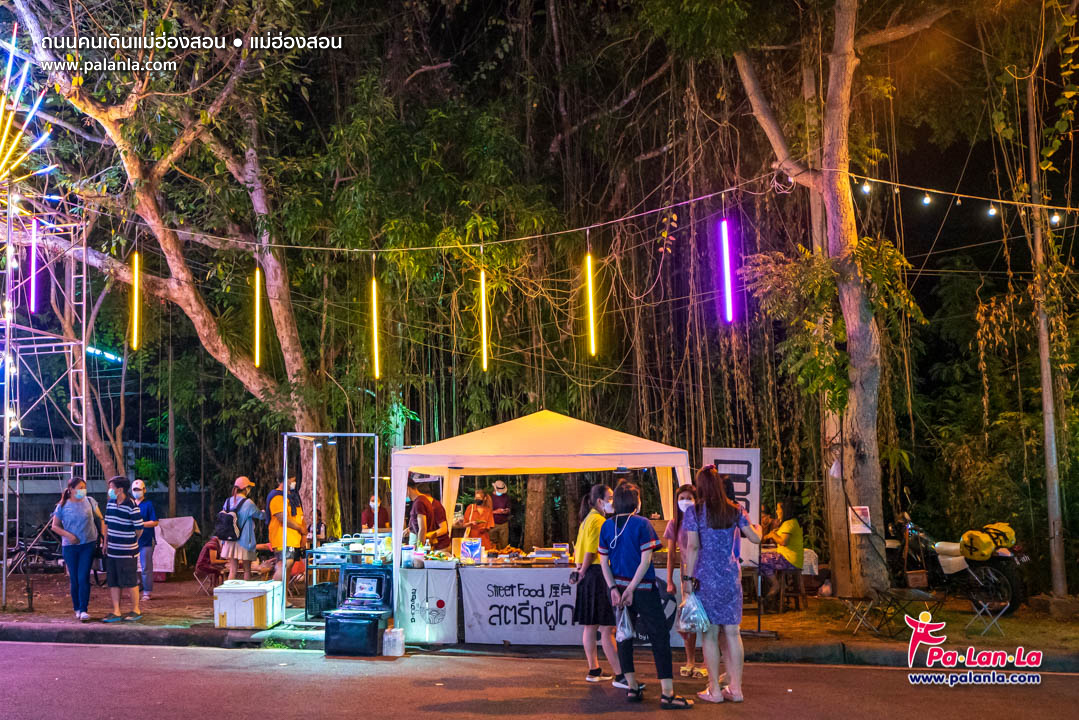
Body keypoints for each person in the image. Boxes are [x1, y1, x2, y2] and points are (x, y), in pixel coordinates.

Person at [598, 482, 692, 710]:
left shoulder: (607, 526)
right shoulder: (642, 524)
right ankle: (667, 694)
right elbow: (646, 559)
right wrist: (632, 588)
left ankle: (632, 687)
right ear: (636, 501)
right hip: (643, 589)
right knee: (659, 636)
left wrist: (614, 589)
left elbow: (603, 561)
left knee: (624, 636)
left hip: (619, 591)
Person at [682, 467, 762, 704]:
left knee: (709, 633)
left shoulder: (694, 512)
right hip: (729, 578)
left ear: (700, 487)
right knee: (733, 632)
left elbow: (693, 548)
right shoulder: (735, 510)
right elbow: (756, 537)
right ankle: (736, 689)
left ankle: (714, 690)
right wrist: (759, 527)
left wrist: (687, 580)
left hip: (705, 579)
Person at [570, 484, 629, 688]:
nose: (613, 501)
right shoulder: (599, 521)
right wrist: (585, 569)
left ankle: (594, 670)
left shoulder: (587, 520)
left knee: (590, 626)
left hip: (587, 576)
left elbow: (581, 549)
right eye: (610, 497)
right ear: (599, 501)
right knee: (607, 628)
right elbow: (591, 551)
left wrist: (580, 571)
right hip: (596, 575)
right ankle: (620, 675)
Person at [665, 483, 705, 679]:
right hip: (685, 576)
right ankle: (690, 660)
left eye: (689, 497)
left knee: (706, 619)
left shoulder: (702, 520)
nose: (685, 501)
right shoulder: (674, 523)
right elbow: (671, 553)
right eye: (682, 498)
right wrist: (669, 580)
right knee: (688, 620)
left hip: (704, 574)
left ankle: (706, 661)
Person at [51, 478, 104, 622]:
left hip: (88, 544)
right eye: (80, 487)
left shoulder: (90, 501)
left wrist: (104, 537)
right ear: (71, 489)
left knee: (83, 577)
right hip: (69, 547)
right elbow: (54, 526)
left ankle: (84, 609)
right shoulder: (62, 506)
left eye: (84, 487)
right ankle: (77, 608)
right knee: (74, 579)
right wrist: (69, 535)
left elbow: (101, 519)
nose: (82, 490)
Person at [103, 476, 144, 622]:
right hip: (112, 550)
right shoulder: (110, 504)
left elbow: (139, 529)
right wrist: (105, 543)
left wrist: (130, 541)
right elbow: (107, 524)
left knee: (130, 581)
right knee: (113, 581)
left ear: (120, 489)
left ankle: (135, 610)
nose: (110, 490)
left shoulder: (131, 505)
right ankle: (116, 611)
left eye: (112, 487)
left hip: (127, 551)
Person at [760, 499, 804, 599]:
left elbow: (783, 542)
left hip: (789, 559)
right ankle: (773, 588)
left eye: (778, 509)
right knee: (761, 560)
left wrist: (772, 534)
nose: (776, 511)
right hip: (788, 558)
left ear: (785, 510)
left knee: (758, 560)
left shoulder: (789, 523)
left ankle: (775, 585)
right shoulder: (790, 523)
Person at [268, 476, 307, 581]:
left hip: (294, 539)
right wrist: (299, 528)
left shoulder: (293, 497)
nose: (294, 483)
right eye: (292, 480)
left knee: (289, 568)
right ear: (286, 480)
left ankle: (284, 597)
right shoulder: (276, 496)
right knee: (285, 564)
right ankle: (274, 593)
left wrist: (304, 534)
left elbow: (301, 517)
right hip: (282, 538)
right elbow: (281, 517)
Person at [221, 477, 260, 580]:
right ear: (245, 488)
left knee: (233, 569)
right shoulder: (248, 503)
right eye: (249, 487)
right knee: (247, 569)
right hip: (244, 541)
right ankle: (245, 595)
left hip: (230, 539)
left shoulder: (228, 501)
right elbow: (259, 515)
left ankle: (230, 593)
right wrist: (265, 513)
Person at [130, 479, 159, 601]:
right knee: (132, 567)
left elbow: (155, 522)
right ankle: (137, 588)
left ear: (144, 490)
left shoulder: (148, 505)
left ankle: (147, 591)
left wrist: (140, 524)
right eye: (135, 490)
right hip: (132, 541)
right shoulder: (130, 504)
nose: (137, 492)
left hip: (146, 541)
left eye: (139, 490)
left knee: (146, 567)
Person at [406, 479, 450, 551]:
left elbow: (443, 528)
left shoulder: (431, 505)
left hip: (440, 546)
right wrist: (411, 528)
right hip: (431, 545)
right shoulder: (423, 502)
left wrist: (426, 537)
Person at [489, 479, 512, 549]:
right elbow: (485, 512)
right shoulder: (489, 498)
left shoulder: (506, 497)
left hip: (504, 524)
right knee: (492, 544)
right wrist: (496, 511)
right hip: (492, 524)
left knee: (504, 545)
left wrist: (506, 510)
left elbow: (509, 508)